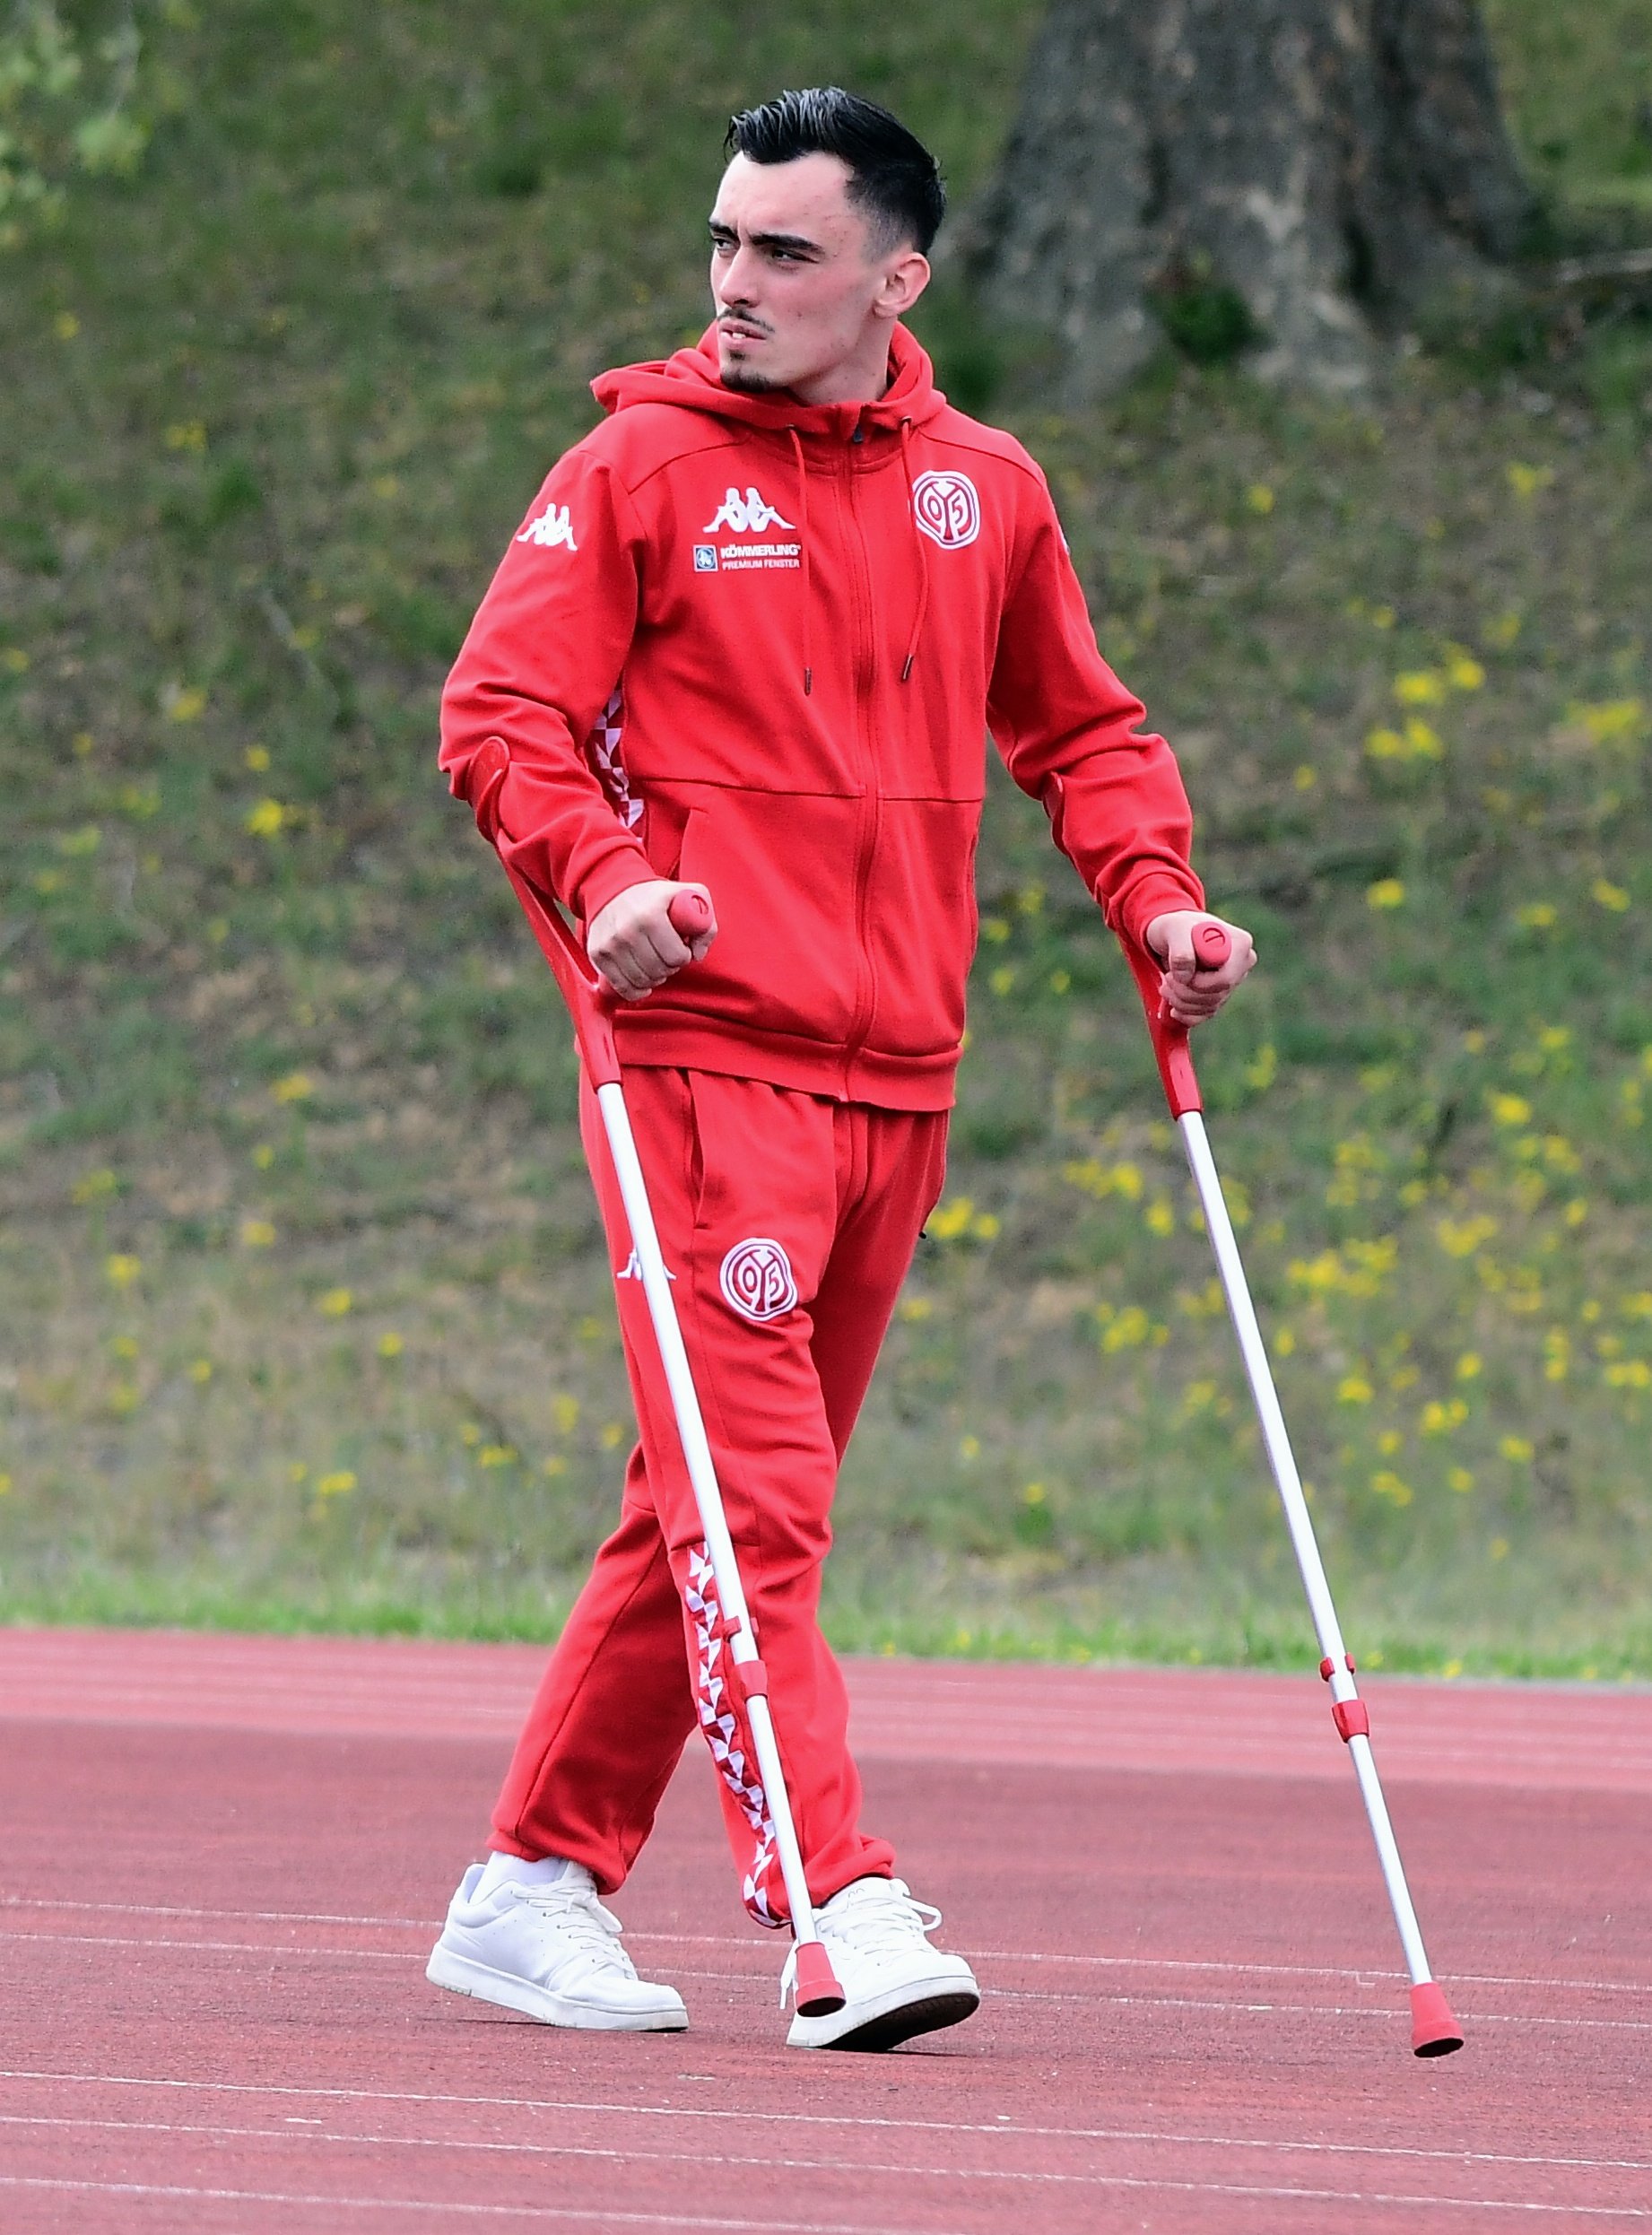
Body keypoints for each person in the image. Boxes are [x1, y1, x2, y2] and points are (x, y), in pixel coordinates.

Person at [428, 86, 1255, 2053]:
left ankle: (532, 1880)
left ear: (899, 277)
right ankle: (834, 1906)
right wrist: (611, 876)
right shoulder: (635, 467)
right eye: (723, 242)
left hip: (902, 1080)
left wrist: (1160, 901)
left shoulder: (985, 484)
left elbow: (1085, 729)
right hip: (700, 1066)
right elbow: (498, 715)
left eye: (785, 252)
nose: (737, 284)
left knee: (700, 1499)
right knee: (759, 1502)